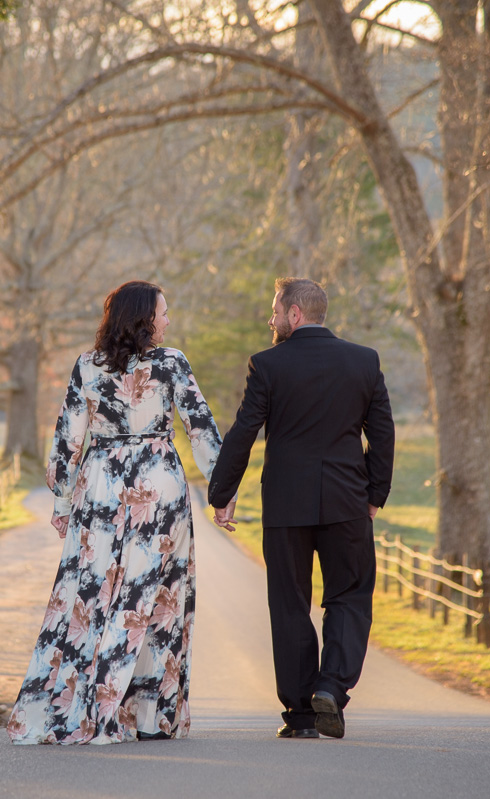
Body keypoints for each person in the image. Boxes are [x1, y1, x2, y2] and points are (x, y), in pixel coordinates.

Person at [7, 280, 223, 745]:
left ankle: (88, 705)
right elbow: (200, 427)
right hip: (157, 484)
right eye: (163, 313)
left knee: (93, 596)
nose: (168, 321)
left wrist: (63, 499)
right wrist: (221, 492)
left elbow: (67, 438)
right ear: (145, 319)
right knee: (157, 596)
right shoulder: (171, 363)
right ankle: (148, 717)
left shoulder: (88, 365)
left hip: (101, 484)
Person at [208, 277, 394, 740]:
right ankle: (331, 685)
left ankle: (301, 716)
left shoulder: (267, 365)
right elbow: (384, 435)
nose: (269, 320)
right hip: (348, 503)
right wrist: (374, 494)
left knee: (290, 604)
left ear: (294, 314)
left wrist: (221, 493)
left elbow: (243, 431)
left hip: (286, 508)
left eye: (274, 311)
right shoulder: (364, 361)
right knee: (349, 597)